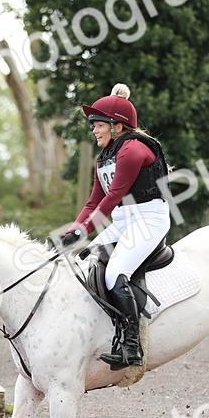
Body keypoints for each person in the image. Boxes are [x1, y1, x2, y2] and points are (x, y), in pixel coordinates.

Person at [60, 83, 170, 369]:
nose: (94, 131)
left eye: (99, 125)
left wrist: (84, 232)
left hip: (148, 220)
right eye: (94, 126)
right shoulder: (104, 157)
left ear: (117, 126)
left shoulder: (132, 150)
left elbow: (112, 197)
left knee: (114, 274)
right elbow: (93, 202)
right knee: (85, 263)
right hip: (123, 221)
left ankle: (132, 347)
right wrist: (72, 231)